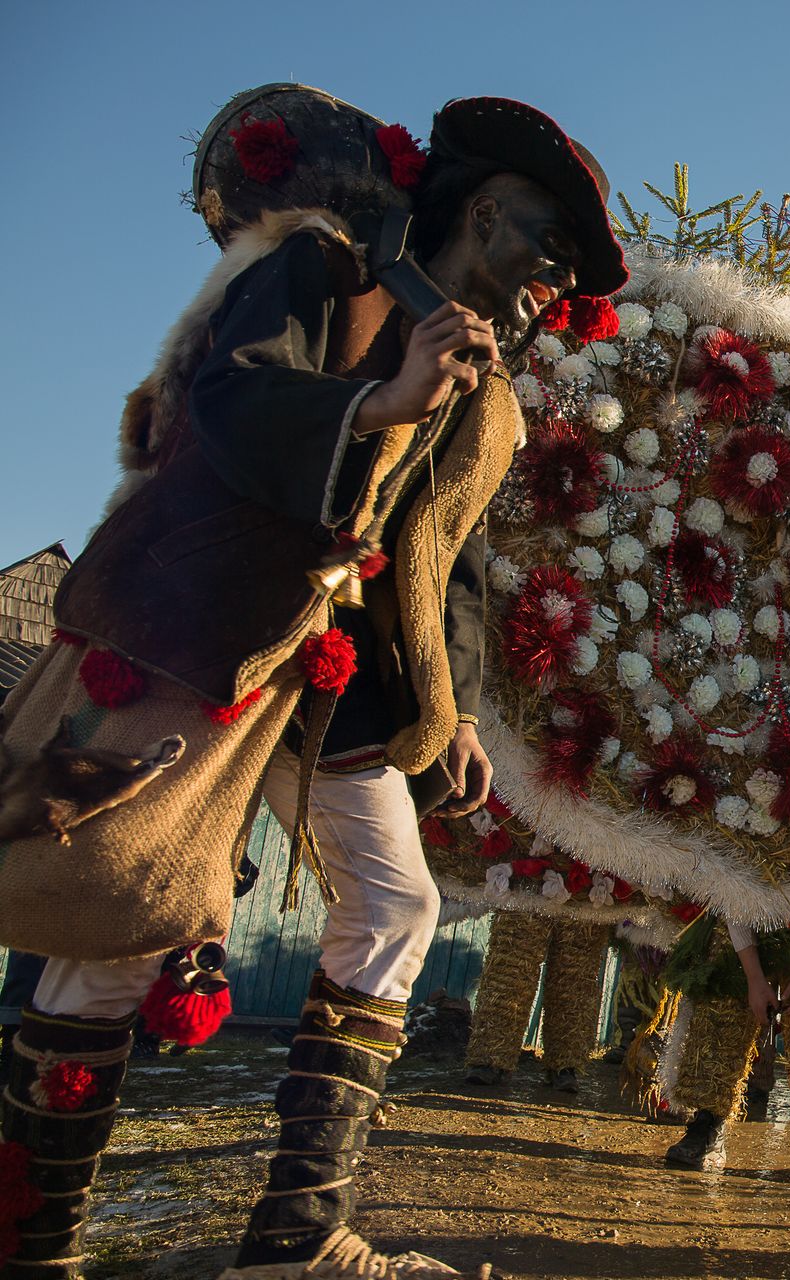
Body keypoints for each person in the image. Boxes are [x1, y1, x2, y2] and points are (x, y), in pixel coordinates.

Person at [0, 91, 625, 1280]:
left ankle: (297, 1238)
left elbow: (449, 572)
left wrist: (457, 715)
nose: (557, 286)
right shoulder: (319, 271)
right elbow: (229, 405)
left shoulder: (490, 397)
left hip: (339, 685)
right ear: (485, 212)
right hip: (198, 632)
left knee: (397, 905)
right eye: (550, 250)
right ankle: (33, 1245)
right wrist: (378, 404)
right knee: (119, 925)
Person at [662, 915, 790, 1178]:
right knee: (722, 998)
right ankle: (708, 1121)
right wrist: (752, 976)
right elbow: (734, 898)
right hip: (750, 920)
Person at [464, 909, 613, 1093]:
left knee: (575, 977)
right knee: (510, 969)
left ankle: (564, 1065)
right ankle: (488, 1057)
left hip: (586, 899)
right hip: (526, 890)